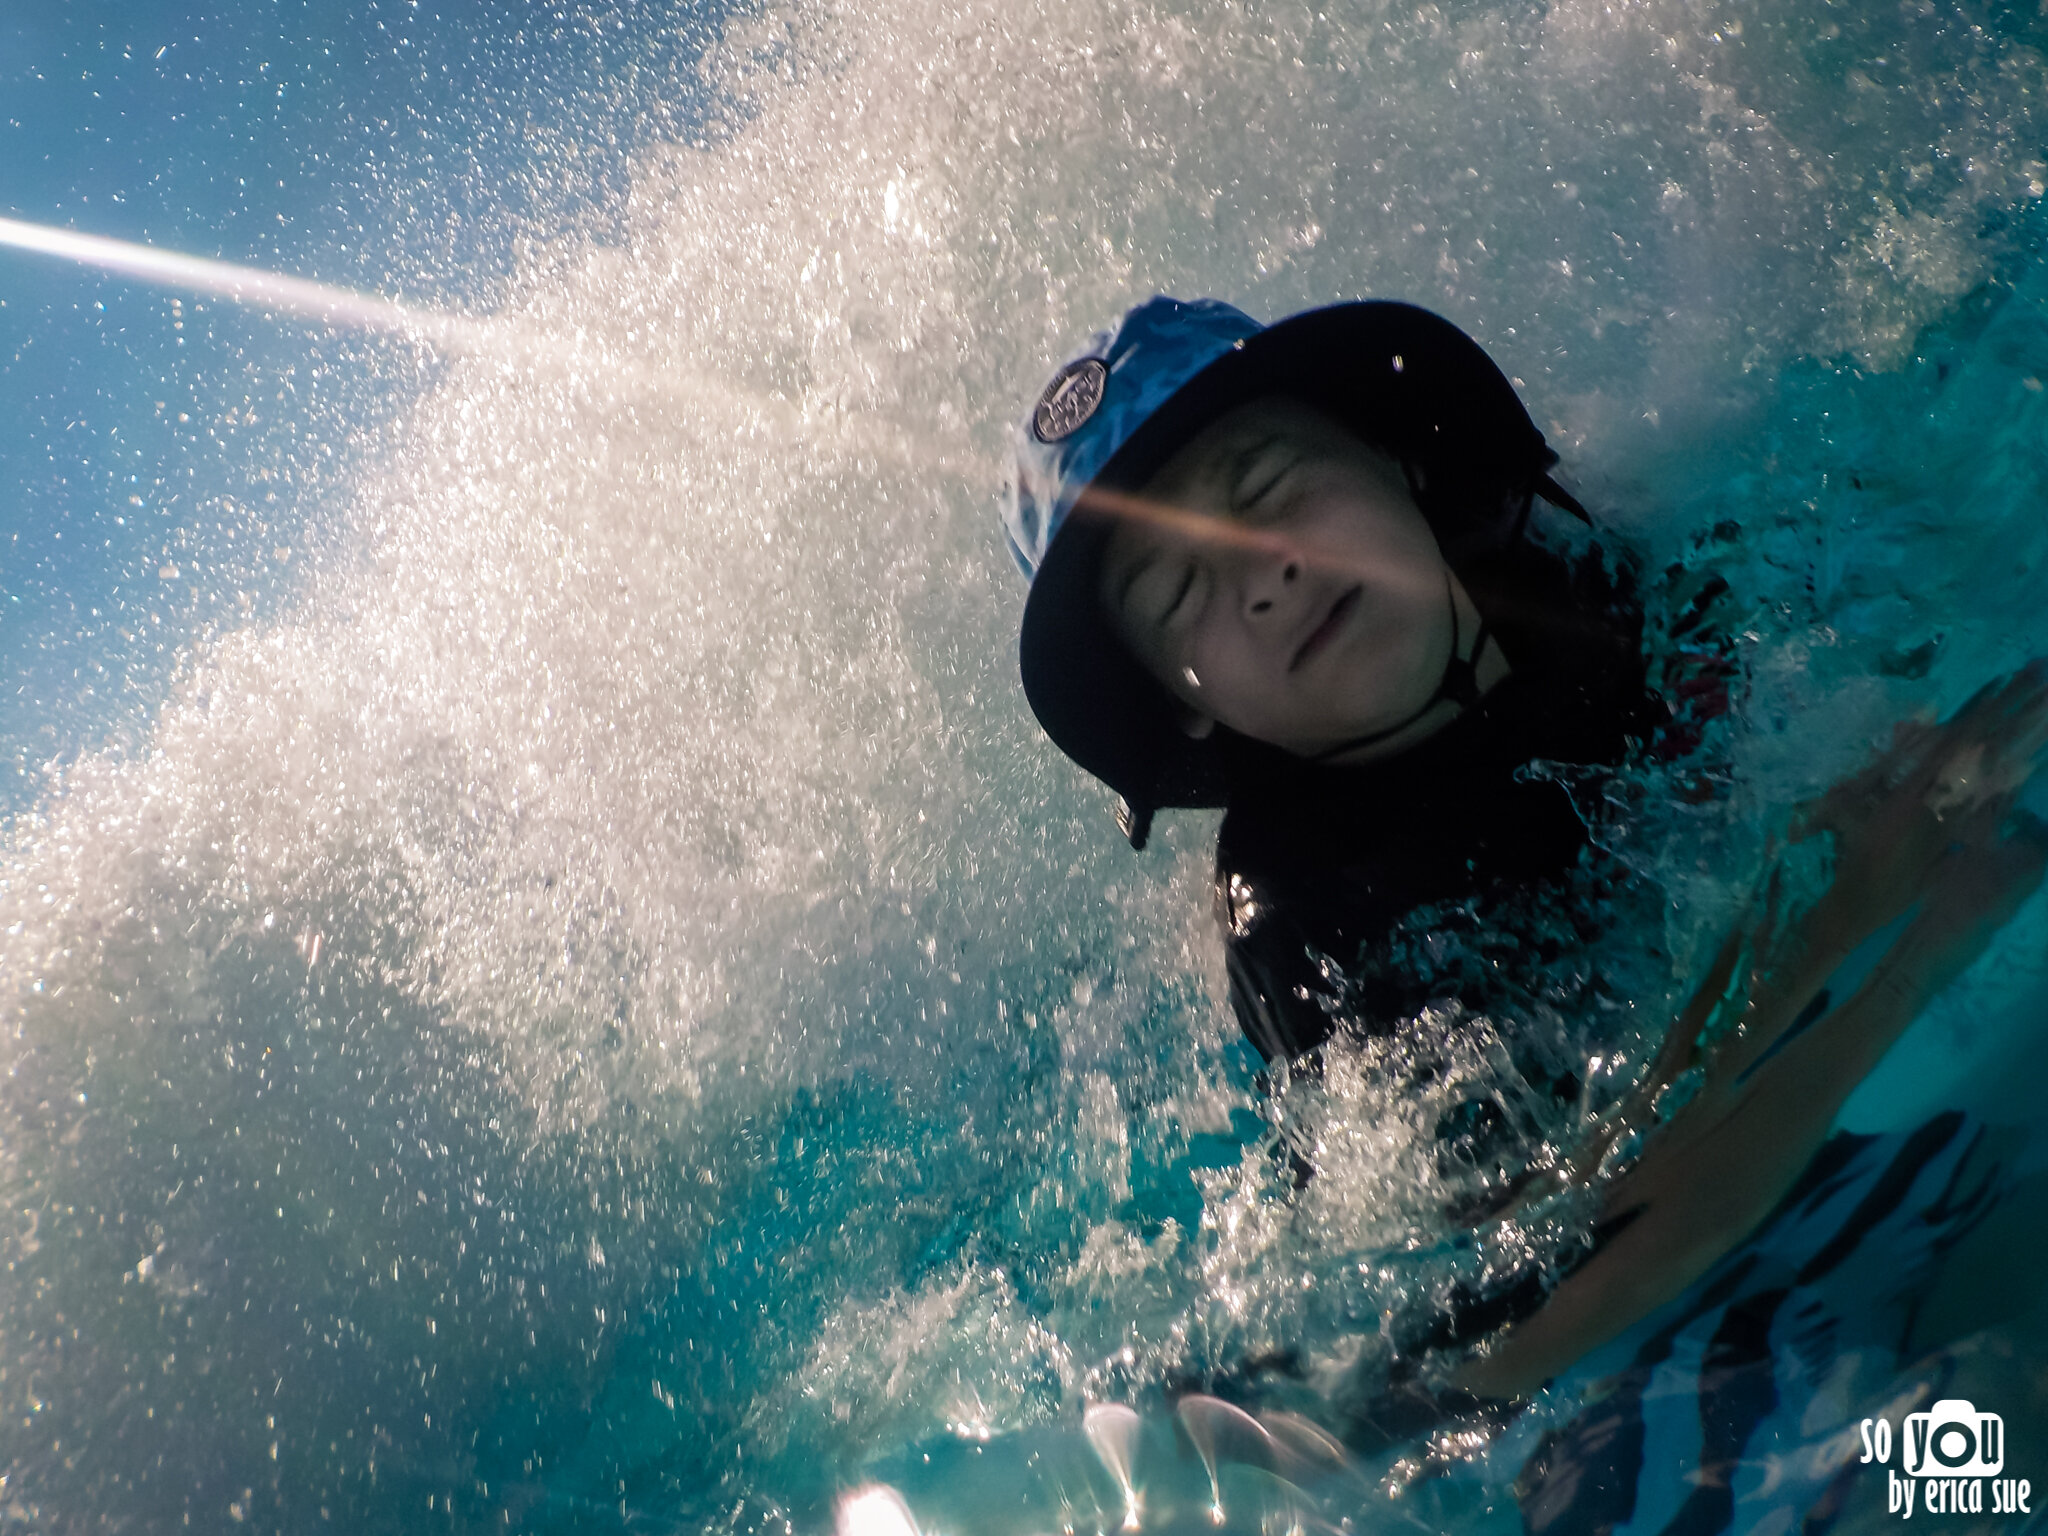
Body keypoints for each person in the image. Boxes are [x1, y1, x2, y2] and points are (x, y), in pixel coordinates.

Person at [1001, 296, 2048, 1425]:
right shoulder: (1313, 922)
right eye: (1178, 594)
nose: (1260, 575)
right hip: (1649, 1355)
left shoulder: (1607, 569)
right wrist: (1882, 942)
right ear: (1183, 709)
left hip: (1843, 1144)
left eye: (1264, 488)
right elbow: (1539, 1285)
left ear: (1396, 457)